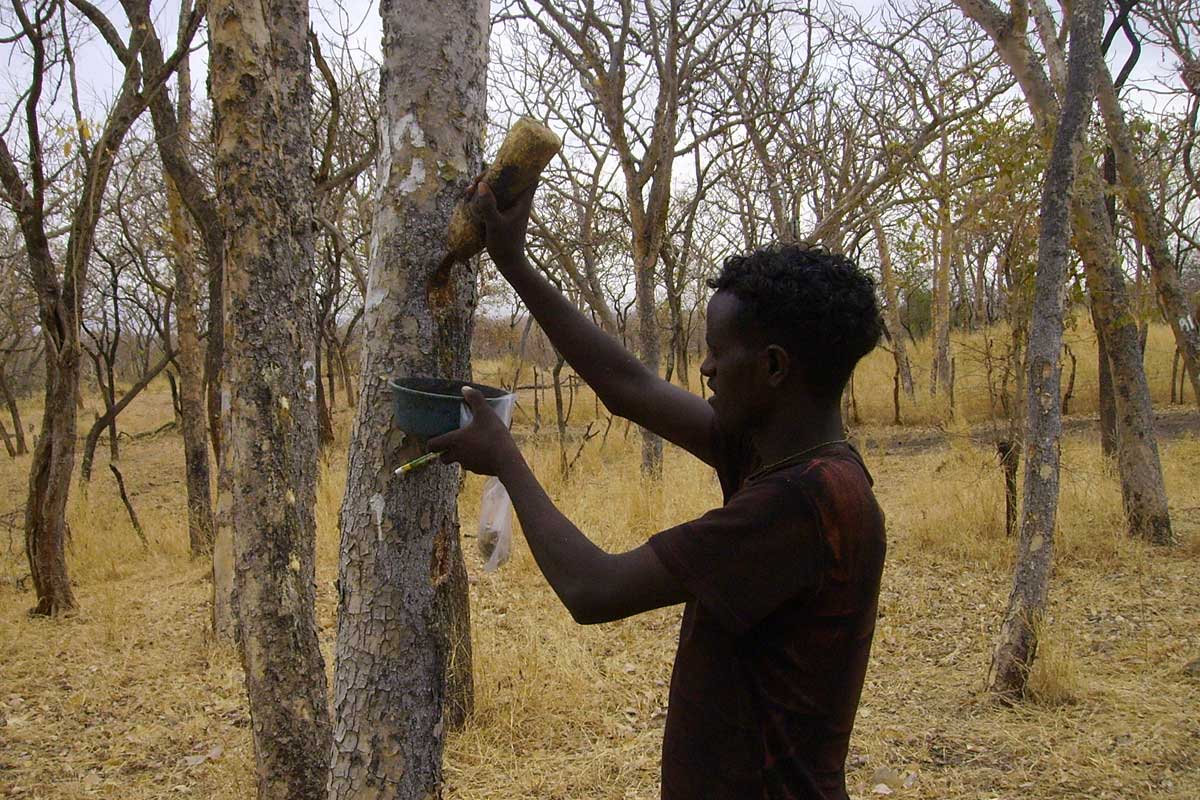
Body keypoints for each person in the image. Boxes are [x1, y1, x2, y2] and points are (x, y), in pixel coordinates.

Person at [429, 179, 887, 800]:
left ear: (775, 367)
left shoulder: (798, 503)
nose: (705, 369)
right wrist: (514, 263)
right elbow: (629, 387)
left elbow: (593, 589)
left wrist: (506, 460)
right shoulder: (783, 453)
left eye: (719, 353)